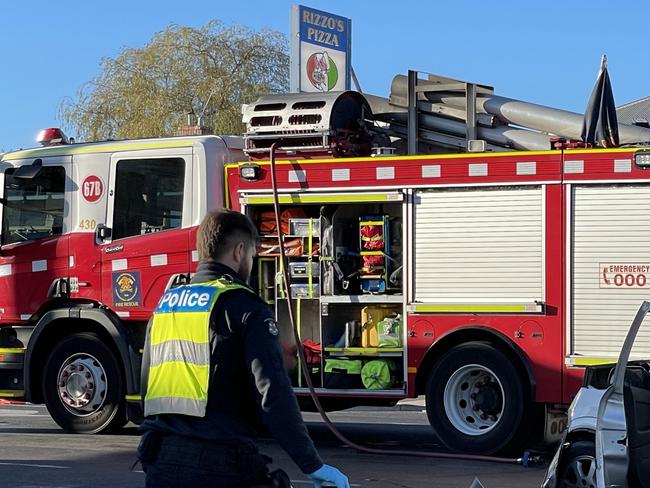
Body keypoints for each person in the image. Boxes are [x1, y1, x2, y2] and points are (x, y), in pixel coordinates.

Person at [137, 208, 349, 488]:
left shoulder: (166, 306)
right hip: (219, 463)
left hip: (161, 461)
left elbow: (146, 389)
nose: (251, 261)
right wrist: (311, 465)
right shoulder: (244, 307)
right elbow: (273, 394)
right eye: (251, 255)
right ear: (239, 251)